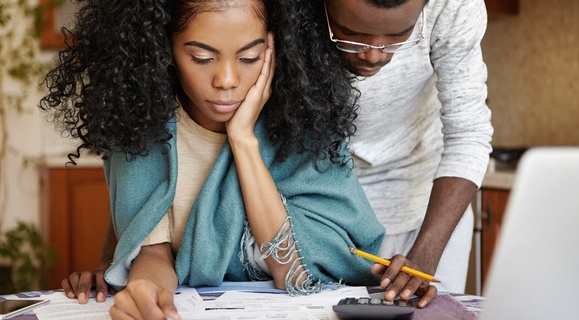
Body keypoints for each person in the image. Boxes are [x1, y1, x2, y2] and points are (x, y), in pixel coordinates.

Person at [39, 0, 387, 318]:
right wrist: (146, 290)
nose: (227, 81)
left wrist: (243, 139)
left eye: (250, 58)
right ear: (165, 49)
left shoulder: (307, 125)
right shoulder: (141, 124)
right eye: (202, 58)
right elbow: (153, 253)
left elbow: (295, 272)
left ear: (279, 49)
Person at [321, 0, 494, 305]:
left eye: (399, 35)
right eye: (351, 34)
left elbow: (467, 136)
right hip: (321, 208)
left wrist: (424, 256)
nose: (373, 55)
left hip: (427, 209)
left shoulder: (453, 5)